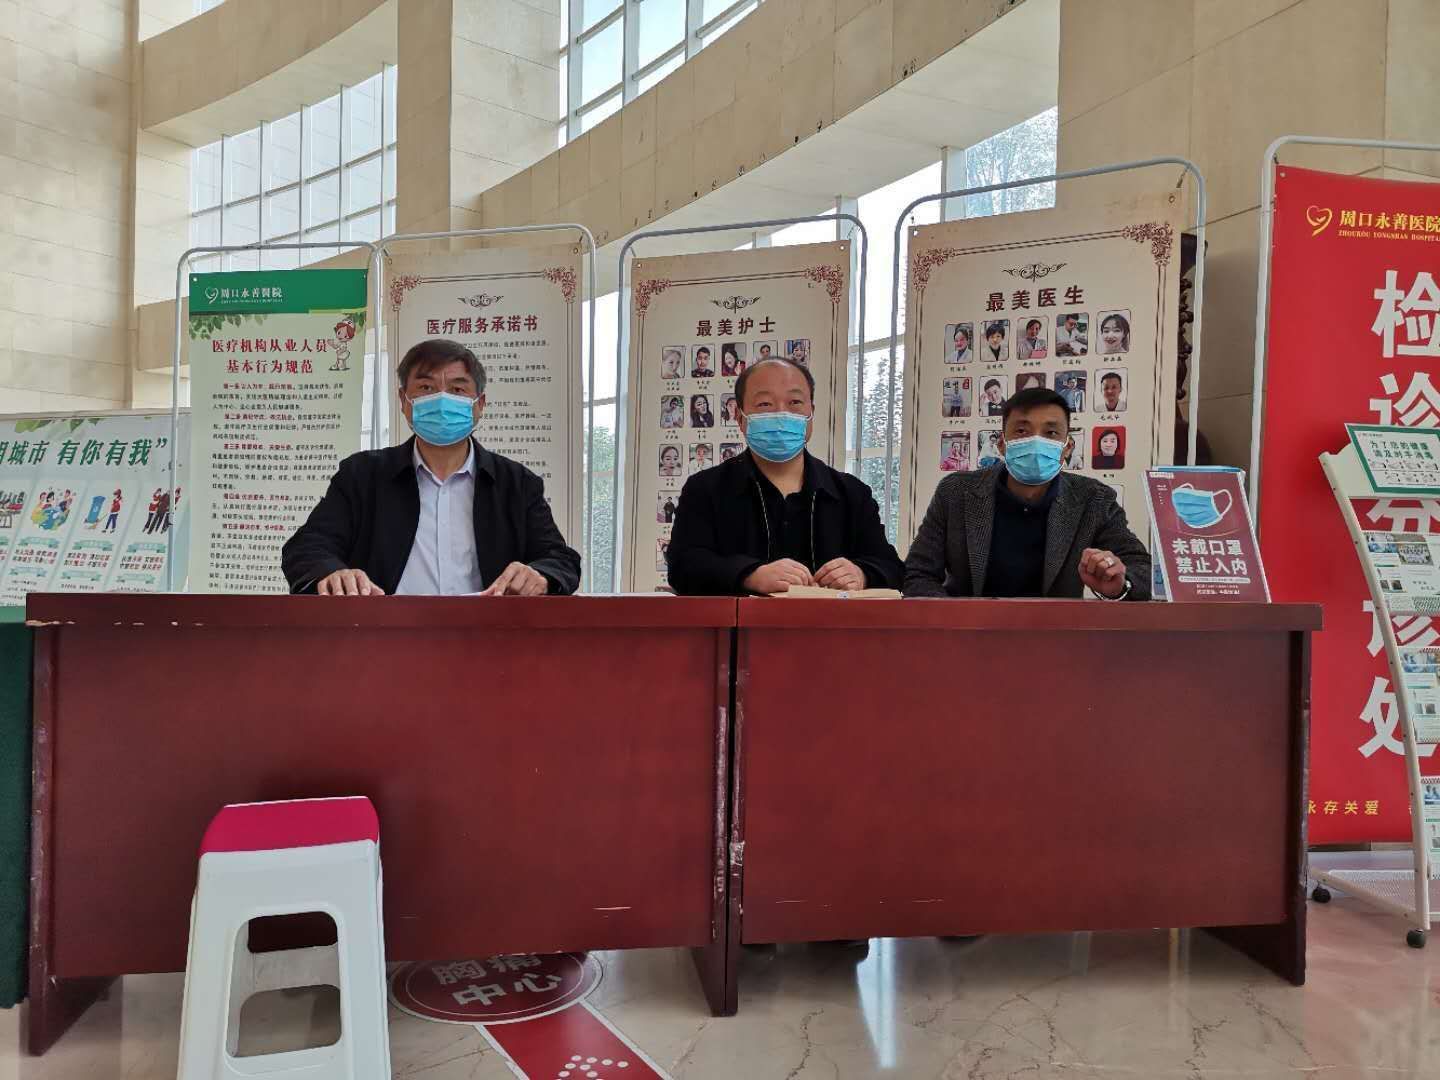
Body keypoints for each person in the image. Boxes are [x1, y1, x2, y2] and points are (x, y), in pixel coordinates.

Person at [282, 338, 582, 597]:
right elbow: (306, 548)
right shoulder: (361, 476)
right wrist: (332, 572)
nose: (441, 400)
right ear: (404, 401)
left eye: (457, 389)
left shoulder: (517, 483)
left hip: (487, 637)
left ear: (479, 405)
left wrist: (540, 575)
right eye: (426, 387)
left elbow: (560, 559)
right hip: (382, 636)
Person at [666, 357, 904, 596]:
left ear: (811, 413)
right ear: (739, 417)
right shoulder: (705, 489)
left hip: (830, 621)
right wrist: (749, 575)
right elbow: (683, 566)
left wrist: (861, 574)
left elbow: (892, 568)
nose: (781, 413)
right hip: (739, 621)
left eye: (795, 402)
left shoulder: (851, 493)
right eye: (765, 404)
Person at [903, 387, 1150, 600]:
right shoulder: (955, 491)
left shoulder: (1094, 499)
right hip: (967, 631)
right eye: (1022, 431)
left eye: (1051, 433)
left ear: (1067, 448)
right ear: (1002, 444)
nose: (1035, 442)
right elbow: (918, 573)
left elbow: (1144, 570)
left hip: (1055, 635)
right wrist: (954, 622)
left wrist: (1120, 584)